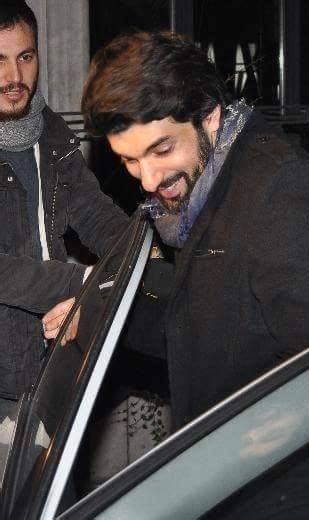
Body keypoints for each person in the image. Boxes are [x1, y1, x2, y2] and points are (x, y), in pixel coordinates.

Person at [52, 31, 309, 518]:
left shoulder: (287, 196)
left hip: (306, 491)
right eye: (129, 161)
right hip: (241, 478)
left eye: (161, 150)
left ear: (210, 115)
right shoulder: (208, 191)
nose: (149, 180)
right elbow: (208, 322)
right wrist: (98, 317)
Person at [0, 0, 129, 416]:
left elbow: (97, 216)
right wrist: (84, 281)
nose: (14, 77)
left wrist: (140, 261)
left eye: (25, 57)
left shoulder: (52, 135)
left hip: (50, 368)